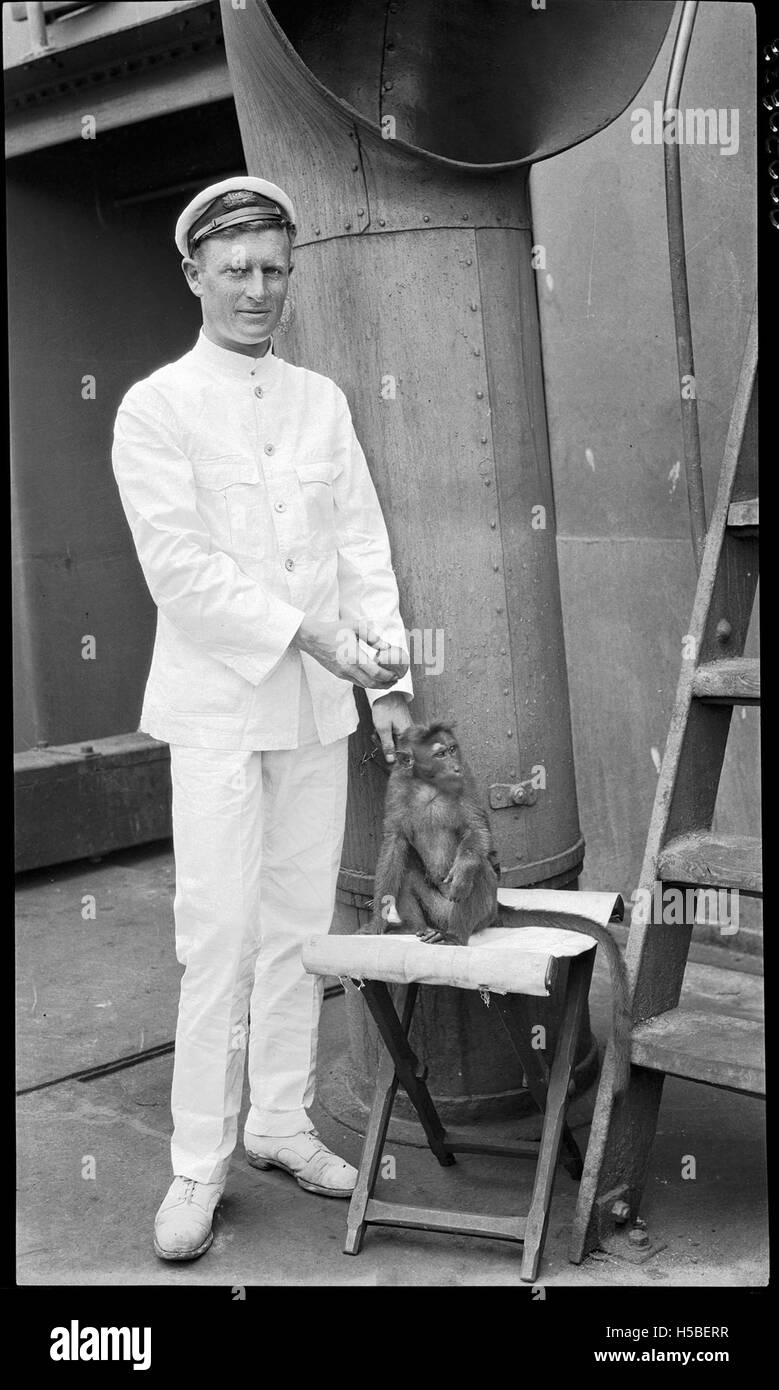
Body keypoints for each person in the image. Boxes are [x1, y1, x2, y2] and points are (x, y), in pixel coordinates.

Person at [112, 176, 413, 1262]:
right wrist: (312, 635)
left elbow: (361, 549)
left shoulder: (320, 400)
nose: (255, 289)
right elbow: (181, 573)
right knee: (218, 936)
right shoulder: (154, 406)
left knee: (297, 931)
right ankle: (200, 1160)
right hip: (218, 713)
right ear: (194, 274)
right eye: (233, 269)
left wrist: (386, 689)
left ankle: (280, 1121)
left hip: (319, 709)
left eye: (272, 268)